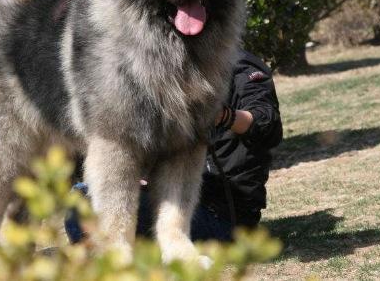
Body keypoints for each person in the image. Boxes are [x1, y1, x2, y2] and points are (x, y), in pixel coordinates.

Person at [65, 49, 283, 242]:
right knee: (86, 197)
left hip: (224, 217)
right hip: (176, 201)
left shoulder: (241, 66)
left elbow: (267, 124)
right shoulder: (173, 74)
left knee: (86, 210)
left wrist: (222, 115)